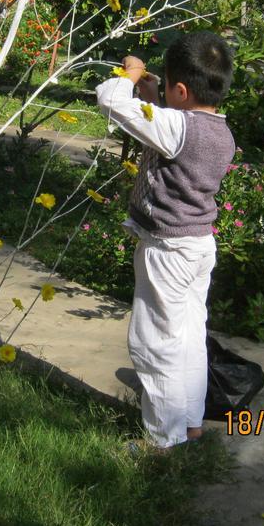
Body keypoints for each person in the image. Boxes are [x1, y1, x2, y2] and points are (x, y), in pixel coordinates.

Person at [96, 32, 236, 449]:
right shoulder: (220, 131)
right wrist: (158, 97)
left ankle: (163, 441)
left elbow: (111, 101)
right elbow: (176, 130)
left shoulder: (176, 126)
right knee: (190, 336)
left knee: (155, 342)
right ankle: (190, 423)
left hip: (167, 251)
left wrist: (130, 74)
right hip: (197, 246)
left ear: (181, 89)